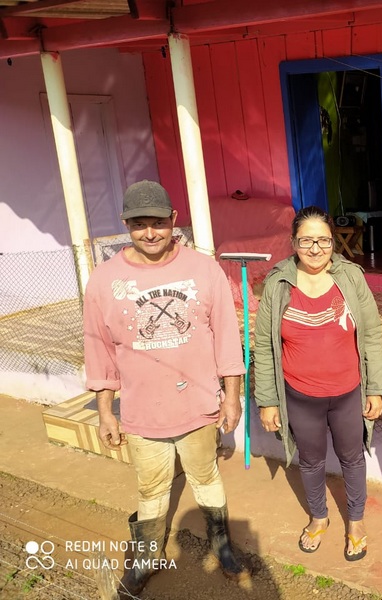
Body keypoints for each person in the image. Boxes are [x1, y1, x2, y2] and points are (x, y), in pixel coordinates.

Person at [83, 180, 248, 597]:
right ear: (126, 225)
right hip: (141, 413)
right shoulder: (105, 280)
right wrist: (106, 411)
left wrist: (232, 395)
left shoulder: (203, 269)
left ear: (174, 221)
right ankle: (146, 559)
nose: (150, 232)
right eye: (139, 224)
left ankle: (222, 544)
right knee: (152, 489)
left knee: (205, 476)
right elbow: (99, 350)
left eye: (158, 222)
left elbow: (227, 336)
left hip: (197, 407)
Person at [253, 206, 382, 562]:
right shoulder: (278, 282)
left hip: (347, 393)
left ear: (333, 242)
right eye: (307, 240)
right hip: (300, 395)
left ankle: (355, 522)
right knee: (310, 461)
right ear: (294, 242)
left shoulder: (352, 278)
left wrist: (375, 388)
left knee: (352, 459)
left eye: (323, 240)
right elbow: (265, 346)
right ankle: (319, 517)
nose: (315, 248)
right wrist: (267, 400)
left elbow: (371, 334)